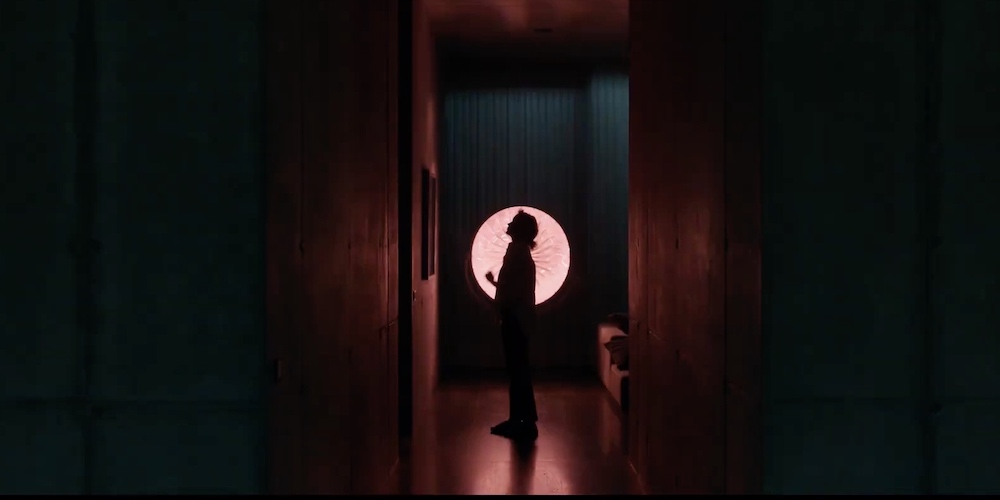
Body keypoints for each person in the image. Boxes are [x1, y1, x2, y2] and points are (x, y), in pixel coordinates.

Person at [484, 210, 539, 441]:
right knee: (519, 368)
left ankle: (519, 421)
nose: (509, 224)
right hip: (520, 317)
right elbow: (515, 287)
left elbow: (510, 289)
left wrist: (495, 287)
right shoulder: (521, 252)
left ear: (519, 230)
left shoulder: (516, 252)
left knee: (516, 369)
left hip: (514, 317)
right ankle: (524, 420)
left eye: (514, 222)